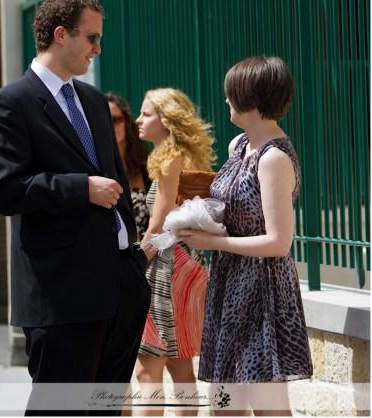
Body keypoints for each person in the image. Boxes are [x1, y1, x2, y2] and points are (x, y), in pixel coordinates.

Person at [0, 0, 150, 417]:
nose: (98, 48)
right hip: (62, 297)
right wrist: (79, 188)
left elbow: (115, 178)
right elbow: (1, 187)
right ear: (60, 35)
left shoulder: (94, 101)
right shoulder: (11, 102)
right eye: (91, 38)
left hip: (119, 289)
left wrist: (133, 263)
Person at [178, 56, 312, 416]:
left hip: (261, 293)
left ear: (250, 99)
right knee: (225, 405)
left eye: (230, 94)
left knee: (268, 405)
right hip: (229, 284)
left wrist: (211, 243)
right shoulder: (240, 145)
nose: (225, 101)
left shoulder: (273, 158)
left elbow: (279, 242)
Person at [134, 88, 215, 416]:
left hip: (165, 268)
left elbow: (159, 223)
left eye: (147, 114)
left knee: (146, 371)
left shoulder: (168, 158)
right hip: (191, 266)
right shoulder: (189, 155)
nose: (139, 120)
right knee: (181, 371)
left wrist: (133, 263)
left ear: (167, 120)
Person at [106, 93, 151, 241]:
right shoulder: (94, 166)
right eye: (105, 120)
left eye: (115, 120)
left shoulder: (145, 163)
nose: (111, 126)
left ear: (126, 121)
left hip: (148, 251)